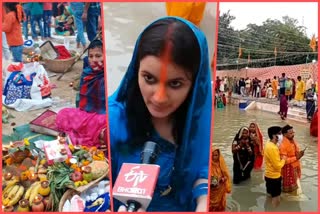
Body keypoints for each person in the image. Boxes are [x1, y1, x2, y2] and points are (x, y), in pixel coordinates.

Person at [108, 17, 212, 211]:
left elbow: (201, 168)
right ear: (135, 70)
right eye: (149, 78)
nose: (159, 98)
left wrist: (203, 201)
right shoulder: (112, 121)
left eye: (175, 84)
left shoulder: (199, 122)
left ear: (196, 83)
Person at [56, 39, 106, 147]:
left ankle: (88, 133)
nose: (94, 60)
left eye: (98, 56)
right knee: (62, 114)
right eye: (91, 56)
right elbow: (82, 102)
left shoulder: (110, 75)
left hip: (102, 118)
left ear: (106, 56)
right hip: (85, 115)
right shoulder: (87, 73)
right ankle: (89, 133)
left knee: (107, 127)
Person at [264, 126, 286, 208]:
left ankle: (268, 209)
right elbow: (278, 166)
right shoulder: (273, 148)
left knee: (270, 195)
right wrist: (283, 159)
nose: (281, 136)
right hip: (274, 177)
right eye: (280, 134)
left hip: (268, 175)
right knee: (276, 199)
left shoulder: (268, 143)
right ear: (274, 136)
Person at [279, 125, 304, 195]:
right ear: (284, 134)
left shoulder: (292, 141)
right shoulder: (282, 144)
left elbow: (295, 153)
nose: (293, 135)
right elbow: (284, 161)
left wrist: (299, 154)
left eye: (293, 133)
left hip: (294, 168)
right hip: (286, 170)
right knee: (288, 193)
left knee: (295, 190)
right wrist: (296, 157)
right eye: (290, 133)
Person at [209, 147, 231, 211]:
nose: (214, 157)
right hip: (212, 192)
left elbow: (225, 174)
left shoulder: (221, 164)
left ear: (219, 155)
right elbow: (213, 183)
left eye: (216, 155)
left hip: (220, 190)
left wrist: (224, 178)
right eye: (212, 155)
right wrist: (219, 180)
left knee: (220, 207)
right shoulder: (209, 165)